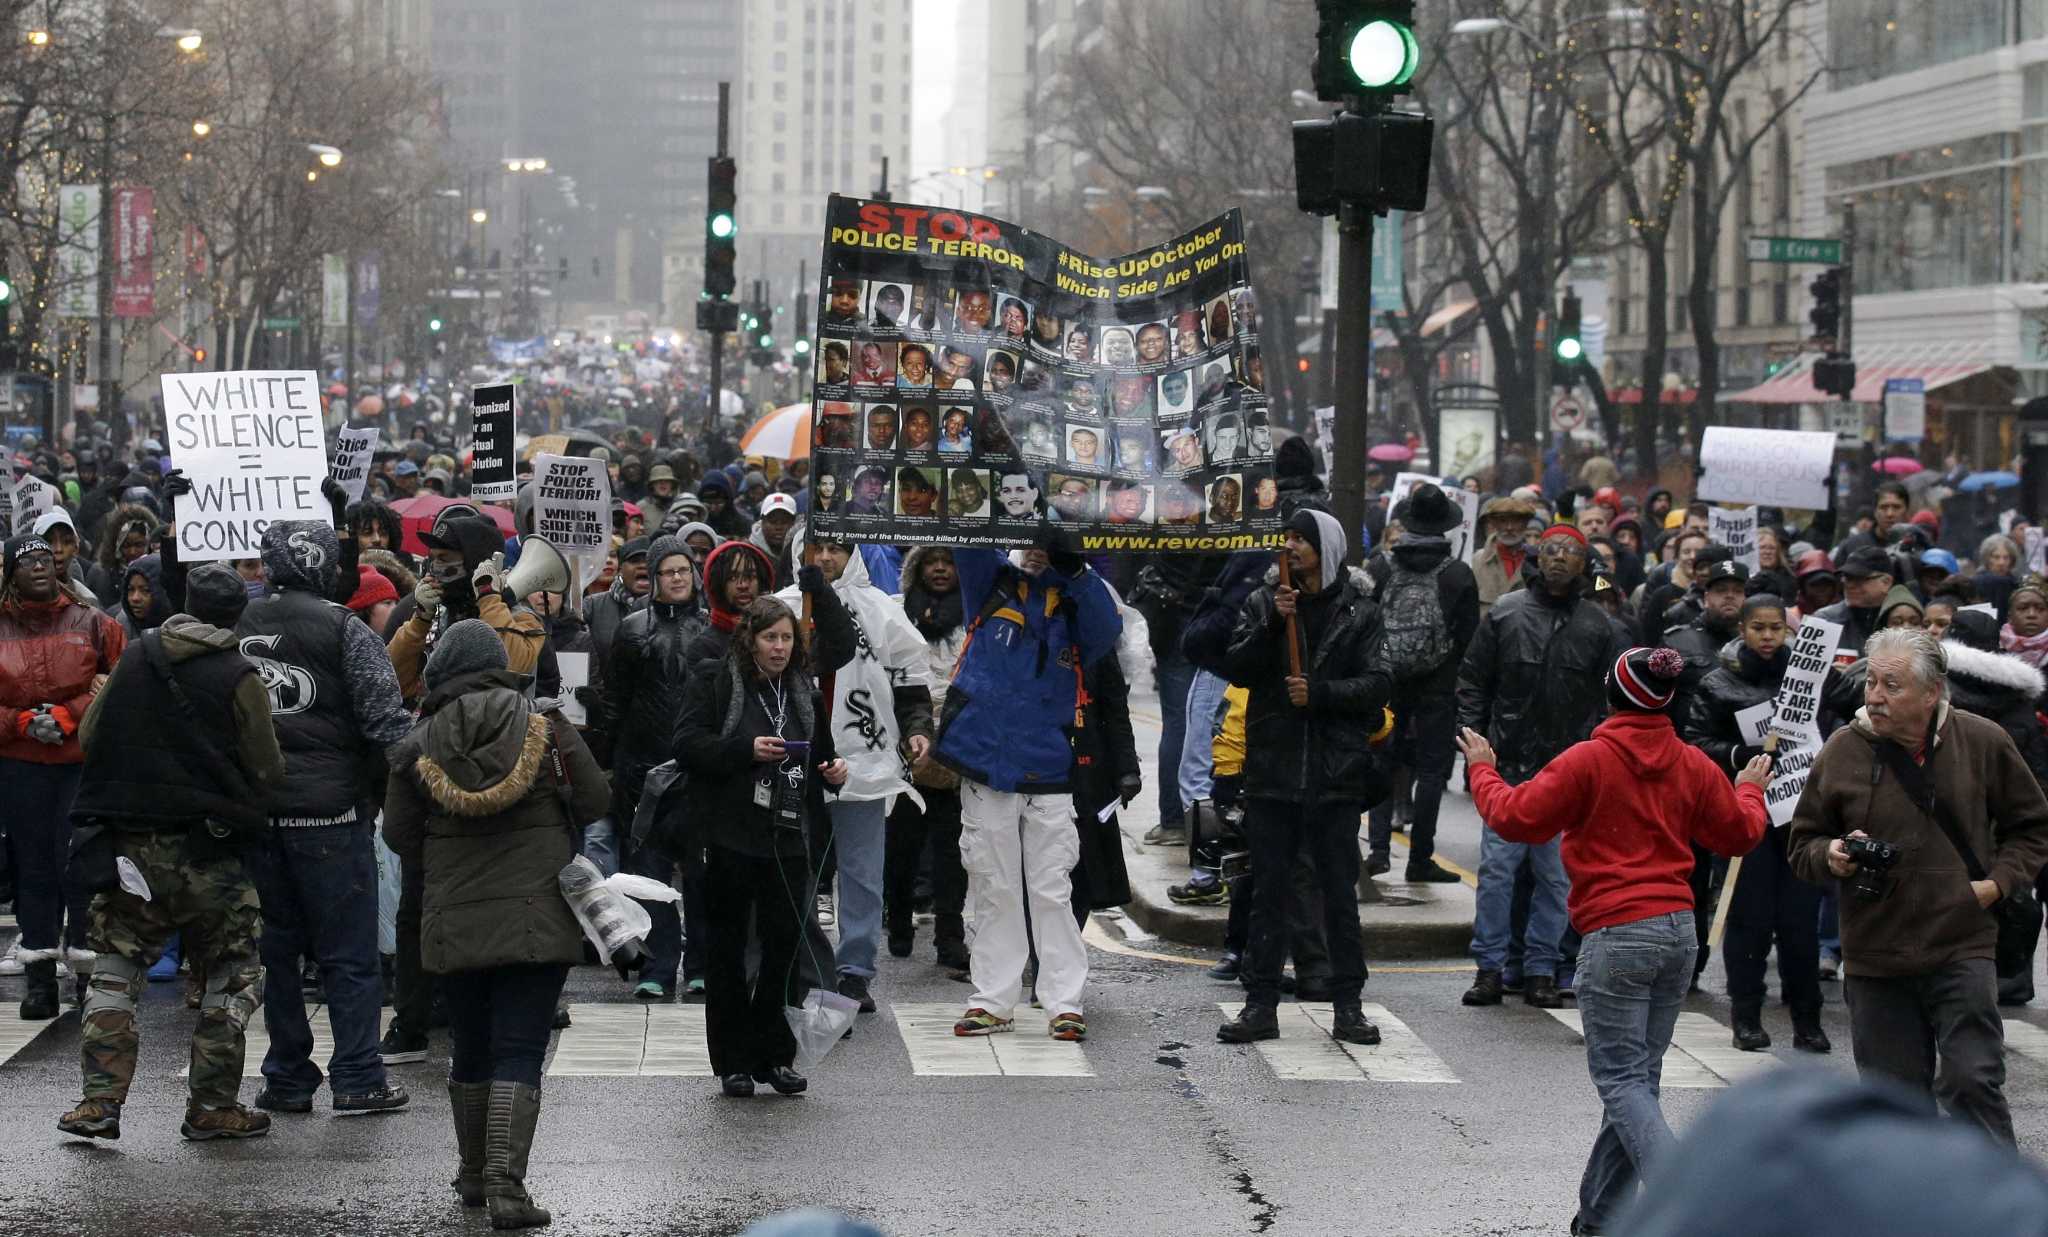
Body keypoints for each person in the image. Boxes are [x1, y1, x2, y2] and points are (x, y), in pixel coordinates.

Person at [1459, 646, 1770, 1235]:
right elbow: (1739, 833)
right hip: (1678, 931)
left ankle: (1686, 1199)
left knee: (1624, 1083)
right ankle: (1599, 1220)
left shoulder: (1588, 761)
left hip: (1617, 932)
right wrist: (1750, 787)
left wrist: (1482, 766)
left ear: (1611, 695)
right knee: (1636, 1084)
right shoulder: (1692, 764)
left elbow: (1514, 817)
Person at [383, 619, 606, 1227]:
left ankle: (474, 1175)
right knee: (520, 1047)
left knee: (471, 1045)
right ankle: (508, 1187)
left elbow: (398, 835)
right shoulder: (546, 726)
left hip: (453, 918)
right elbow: (594, 801)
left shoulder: (417, 742)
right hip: (536, 916)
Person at [1787, 627, 2048, 1143]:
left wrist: (1997, 883)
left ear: (1932, 692)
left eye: (1892, 685)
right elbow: (1803, 845)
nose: (1875, 696)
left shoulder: (1983, 741)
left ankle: (2000, 1214)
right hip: (1875, 955)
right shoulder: (1842, 749)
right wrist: (1832, 854)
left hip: (1960, 943)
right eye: (1871, 683)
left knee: (1972, 1082)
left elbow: (2031, 827)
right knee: (1895, 1108)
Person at [55, 563, 279, 1142]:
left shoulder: (136, 658)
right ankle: (213, 1106)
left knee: (115, 968)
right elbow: (265, 764)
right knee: (231, 974)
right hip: (210, 852)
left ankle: (99, 1103)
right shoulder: (238, 673)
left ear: (182, 601)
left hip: (130, 848)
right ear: (239, 614)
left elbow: (90, 736)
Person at [237, 521, 413, 1116]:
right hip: (332, 817)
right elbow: (386, 724)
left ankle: (286, 1076)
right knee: (349, 957)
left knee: (278, 956)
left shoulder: (237, 624)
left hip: (259, 817)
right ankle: (358, 1076)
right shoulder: (347, 629)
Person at [1214, 510, 1393, 1047]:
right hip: (1273, 773)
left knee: (1339, 894)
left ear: (1327, 547)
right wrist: (1272, 624)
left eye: (1302, 539)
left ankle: (1348, 1007)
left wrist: (1321, 694)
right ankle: (1259, 1004)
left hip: (1336, 776)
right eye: (1286, 537)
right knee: (1268, 892)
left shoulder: (1360, 610)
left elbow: (1379, 683)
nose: (1290, 546)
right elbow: (1238, 668)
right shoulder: (1263, 602)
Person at [937, 535, 1121, 1041]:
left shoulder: (1079, 596)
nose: (1037, 551)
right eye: (1030, 542)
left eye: (1048, 543)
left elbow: (1107, 633)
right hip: (987, 762)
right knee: (993, 885)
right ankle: (994, 1001)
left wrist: (1075, 569)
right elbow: (968, 537)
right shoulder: (991, 581)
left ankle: (1063, 1001)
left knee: (1051, 888)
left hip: (1051, 765)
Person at [674, 598, 849, 1097]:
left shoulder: (803, 692)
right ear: (750, 639)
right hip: (727, 834)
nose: (779, 647)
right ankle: (732, 1060)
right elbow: (687, 745)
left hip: (788, 835)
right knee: (727, 951)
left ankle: (775, 1056)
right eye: (770, 637)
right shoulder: (715, 680)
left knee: (783, 950)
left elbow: (824, 756)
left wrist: (835, 772)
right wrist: (744, 751)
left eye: (787, 638)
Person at [1458, 524, 1624, 1008]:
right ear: (1537, 557)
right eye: (1550, 550)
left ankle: (1541, 970)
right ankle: (1489, 968)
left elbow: (1609, 699)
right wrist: (1474, 745)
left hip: (1567, 772)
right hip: (1508, 766)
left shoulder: (1598, 626)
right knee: (1497, 874)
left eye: (1570, 553)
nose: (1558, 559)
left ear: (1582, 564)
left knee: (1556, 877)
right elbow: (1473, 682)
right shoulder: (1507, 614)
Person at [771, 539, 932, 1014]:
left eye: (836, 549)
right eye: (815, 548)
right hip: (795, 757)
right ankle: (803, 963)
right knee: (798, 867)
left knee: (863, 872)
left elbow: (909, 676)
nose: (825, 558)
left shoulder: (881, 609)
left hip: (867, 758)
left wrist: (919, 727)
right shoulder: (781, 608)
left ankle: (855, 970)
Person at [1683, 594, 1830, 1052]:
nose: (1768, 637)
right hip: (1746, 817)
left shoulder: (1807, 678)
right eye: (1758, 628)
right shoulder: (1719, 683)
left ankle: (1808, 1020)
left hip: (1799, 817)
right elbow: (1695, 743)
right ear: (1742, 630)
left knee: (1800, 922)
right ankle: (1746, 1017)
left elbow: (1847, 708)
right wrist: (1739, 756)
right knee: (1748, 921)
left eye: (1776, 629)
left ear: (1788, 631)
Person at [2, 533, 125, 1021]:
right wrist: (21, 722)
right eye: (27, 559)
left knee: (81, 867)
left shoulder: (94, 623)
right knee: (33, 869)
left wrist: (72, 712)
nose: (39, 564)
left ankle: (86, 974)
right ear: (11, 572)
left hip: (79, 765)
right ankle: (39, 978)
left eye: (44, 558)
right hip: (20, 766)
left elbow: (121, 684)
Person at [603, 537, 708, 1000]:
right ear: (655, 580)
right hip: (643, 771)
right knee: (649, 873)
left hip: (699, 769)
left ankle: (703, 964)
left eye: (684, 569)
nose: (678, 577)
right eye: (668, 571)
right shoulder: (630, 631)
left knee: (703, 872)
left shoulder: (710, 629)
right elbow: (616, 702)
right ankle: (659, 965)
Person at [1364, 484, 1478, 882]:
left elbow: (1364, 623)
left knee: (1381, 758)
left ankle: (1378, 848)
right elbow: (1468, 637)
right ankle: (1420, 859)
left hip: (1387, 679)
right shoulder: (1458, 574)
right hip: (1438, 684)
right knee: (1431, 771)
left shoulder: (1380, 566)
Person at [890, 548, 973, 969]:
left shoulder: (976, 616)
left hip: (959, 744)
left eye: (949, 560)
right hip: (906, 742)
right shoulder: (895, 615)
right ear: (916, 570)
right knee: (901, 845)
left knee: (951, 850)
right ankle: (899, 919)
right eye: (931, 561)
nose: (940, 568)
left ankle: (950, 935)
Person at [386, 515, 546, 701]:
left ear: (475, 563)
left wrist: (488, 598)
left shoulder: (523, 618)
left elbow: (511, 668)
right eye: (433, 559)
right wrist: (419, 621)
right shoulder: (435, 613)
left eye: (444, 558)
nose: (434, 568)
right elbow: (392, 682)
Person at [1816, 545, 1896, 669]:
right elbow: (1801, 678)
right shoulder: (1823, 621)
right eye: (1847, 578)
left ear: (1886, 582)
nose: (1850, 585)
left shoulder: (1903, 619)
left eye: (1859, 579)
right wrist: (1829, 677)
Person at [1472, 495, 1536, 612]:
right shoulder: (1476, 561)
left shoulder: (1536, 561)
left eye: (1516, 521)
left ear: (1526, 524)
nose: (1509, 527)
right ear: (1493, 524)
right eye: (1503, 521)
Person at [2000, 576, 2048, 670]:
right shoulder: (1996, 650)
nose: (2031, 615)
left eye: (2040, 609)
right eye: (2022, 608)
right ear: (2010, 617)